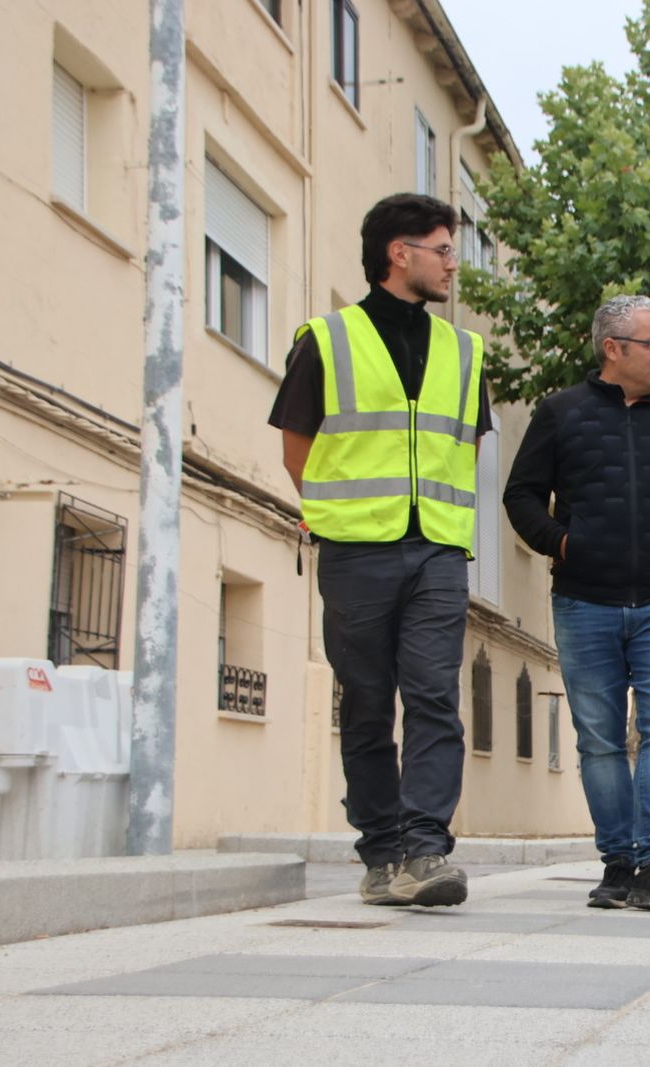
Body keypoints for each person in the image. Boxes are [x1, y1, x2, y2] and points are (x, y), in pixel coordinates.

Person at [269, 193, 492, 908]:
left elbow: (468, 446)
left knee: (434, 696)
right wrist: (343, 511)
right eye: (443, 249)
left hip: (437, 552)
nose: (454, 264)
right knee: (367, 703)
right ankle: (381, 852)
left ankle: (426, 848)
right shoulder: (326, 340)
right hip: (356, 552)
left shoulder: (465, 351)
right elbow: (296, 449)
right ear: (401, 254)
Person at [503, 294, 650, 912]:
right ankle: (618, 865)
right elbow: (521, 495)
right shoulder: (561, 413)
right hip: (584, 602)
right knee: (598, 739)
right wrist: (562, 543)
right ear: (613, 349)